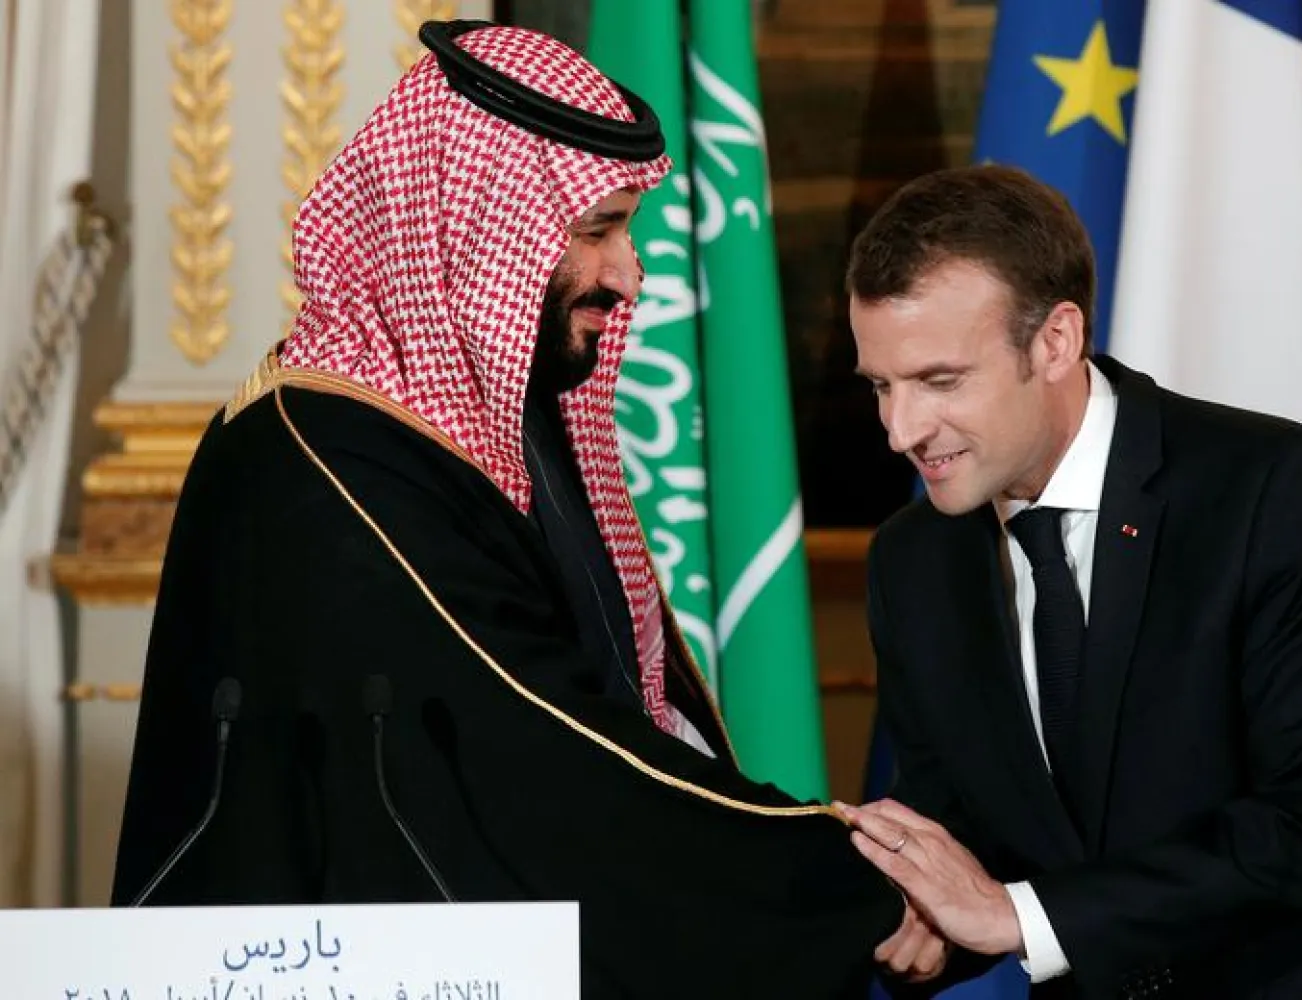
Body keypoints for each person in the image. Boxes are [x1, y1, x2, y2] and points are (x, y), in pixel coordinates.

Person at [110, 21, 904, 998]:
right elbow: (535, 744)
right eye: (596, 230)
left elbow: (618, 700)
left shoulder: (504, 418)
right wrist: (846, 875)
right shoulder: (320, 457)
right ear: (480, 226)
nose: (629, 274)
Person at [834, 164, 1302, 999]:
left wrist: (1020, 918)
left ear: (1056, 341)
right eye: (881, 386)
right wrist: (921, 919)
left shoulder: (1279, 489)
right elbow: (969, 837)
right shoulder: (914, 562)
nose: (900, 430)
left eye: (940, 382)